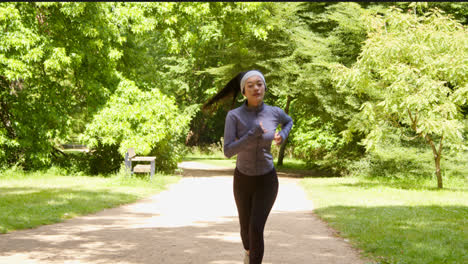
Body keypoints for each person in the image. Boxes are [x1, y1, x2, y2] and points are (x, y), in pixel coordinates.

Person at [223, 70, 293, 264]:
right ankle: (248, 252)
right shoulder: (234, 116)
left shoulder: (274, 112)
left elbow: (289, 121)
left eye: (260, 84)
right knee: (245, 230)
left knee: (255, 228)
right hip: (243, 179)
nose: (256, 88)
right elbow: (228, 151)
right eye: (250, 85)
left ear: (265, 88)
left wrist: (283, 134)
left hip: (266, 179)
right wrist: (251, 135)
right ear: (244, 91)